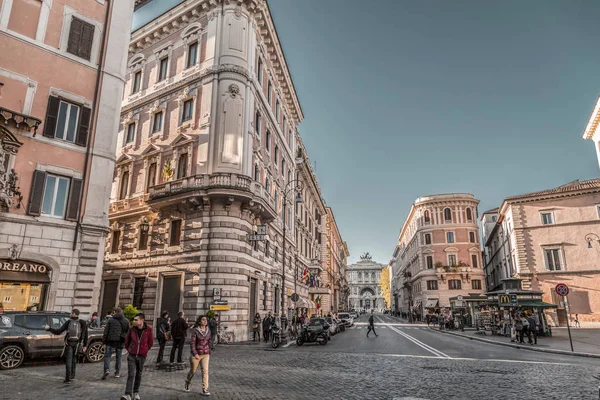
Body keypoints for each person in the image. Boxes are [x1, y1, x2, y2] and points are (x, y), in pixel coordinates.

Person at [44, 309, 88, 384]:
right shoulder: (82, 322)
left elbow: (58, 331)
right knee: (74, 359)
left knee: (69, 360)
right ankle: (72, 376)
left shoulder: (68, 322)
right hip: (77, 343)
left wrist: (49, 329)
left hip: (69, 343)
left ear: (74, 314)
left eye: (71, 313)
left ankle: (68, 378)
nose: (70, 314)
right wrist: (85, 345)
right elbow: (85, 334)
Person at [121, 313, 153, 400]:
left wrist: (144, 350)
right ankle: (128, 394)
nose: (134, 321)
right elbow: (127, 341)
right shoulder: (131, 330)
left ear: (142, 320)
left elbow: (150, 342)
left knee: (139, 374)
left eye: (136, 320)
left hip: (142, 356)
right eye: (134, 320)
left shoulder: (148, 329)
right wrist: (130, 349)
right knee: (131, 374)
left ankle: (136, 392)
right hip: (132, 355)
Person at [184, 315, 211, 396]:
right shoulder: (195, 331)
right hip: (196, 354)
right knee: (193, 371)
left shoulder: (208, 331)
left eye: (206, 320)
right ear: (199, 321)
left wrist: (209, 351)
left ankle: (205, 389)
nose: (205, 321)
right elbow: (192, 343)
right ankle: (187, 382)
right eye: (203, 320)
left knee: (205, 371)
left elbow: (209, 342)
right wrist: (195, 353)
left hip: (205, 354)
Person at [102, 307, 130, 380]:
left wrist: (104, 341)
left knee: (107, 356)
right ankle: (117, 373)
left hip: (110, 340)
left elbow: (106, 331)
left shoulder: (111, 320)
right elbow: (128, 332)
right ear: (121, 312)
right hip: (120, 341)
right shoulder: (126, 320)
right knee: (119, 357)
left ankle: (107, 370)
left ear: (115, 312)